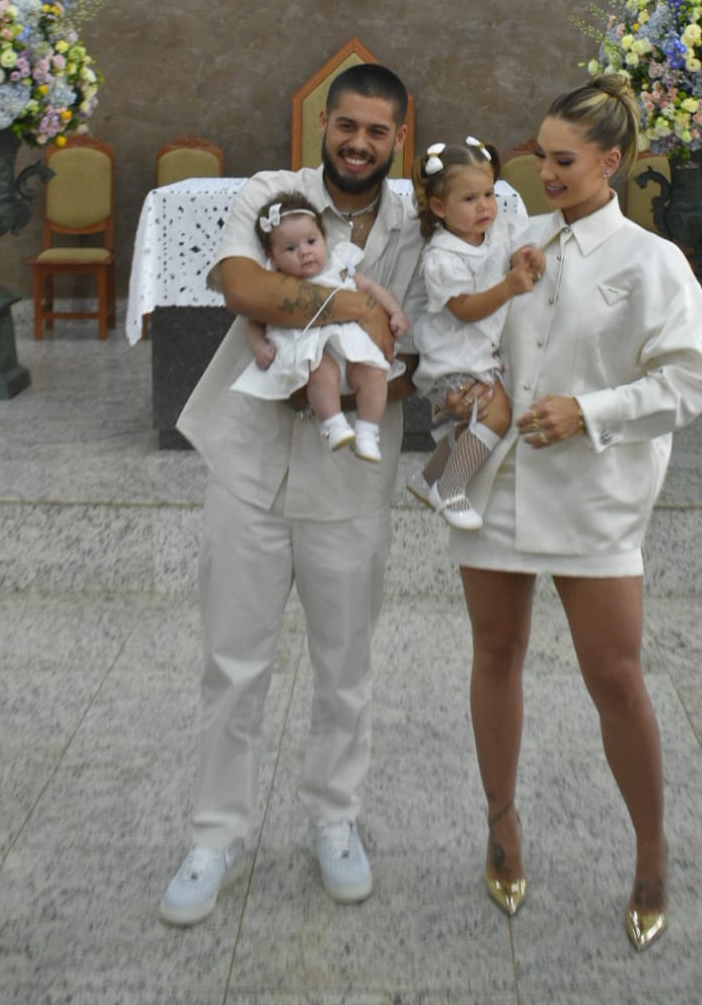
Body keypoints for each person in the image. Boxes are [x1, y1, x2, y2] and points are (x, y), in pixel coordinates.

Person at [444, 73, 702, 952]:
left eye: (563, 160)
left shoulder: (651, 261)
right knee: (496, 651)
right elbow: (473, 329)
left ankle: (650, 851)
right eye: (540, 156)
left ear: (612, 160)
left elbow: (688, 379)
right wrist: (475, 387)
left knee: (615, 676)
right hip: (500, 482)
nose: (545, 172)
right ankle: (502, 822)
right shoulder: (520, 244)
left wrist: (589, 411)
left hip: (595, 492)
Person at [160, 62, 425, 926]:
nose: (358, 143)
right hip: (247, 460)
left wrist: (316, 314)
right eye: (346, 125)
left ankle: (335, 818)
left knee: (345, 662)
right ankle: (217, 832)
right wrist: (350, 301)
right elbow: (239, 285)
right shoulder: (273, 195)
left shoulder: (419, 223)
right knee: (233, 660)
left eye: (377, 131)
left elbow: (410, 351)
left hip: (349, 475)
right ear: (324, 124)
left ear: (398, 136)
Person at [403, 138, 544, 529]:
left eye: (488, 193)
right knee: (496, 414)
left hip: (480, 348)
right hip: (453, 353)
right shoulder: (442, 256)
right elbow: (463, 310)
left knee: (472, 421)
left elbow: (516, 244)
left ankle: (427, 477)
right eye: (469, 199)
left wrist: (525, 258)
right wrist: (508, 288)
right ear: (438, 207)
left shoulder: (496, 227)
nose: (484, 206)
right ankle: (451, 489)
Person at [233, 189, 409, 463]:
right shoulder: (275, 283)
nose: (304, 252)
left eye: (311, 241)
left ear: (324, 239)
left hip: (352, 346)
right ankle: (334, 424)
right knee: (320, 371)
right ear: (273, 256)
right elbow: (253, 320)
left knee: (374, 373)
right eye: (290, 249)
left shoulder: (339, 267)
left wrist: (395, 312)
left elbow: (371, 288)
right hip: (309, 348)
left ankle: (367, 432)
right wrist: (259, 347)